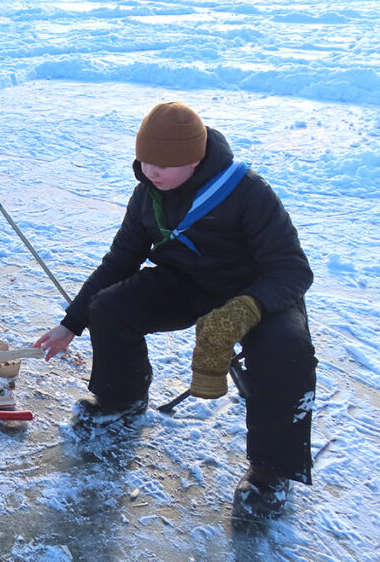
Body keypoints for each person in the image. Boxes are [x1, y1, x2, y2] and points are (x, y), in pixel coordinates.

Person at [34, 102, 316, 522]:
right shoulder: (148, 194)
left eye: (165, 163)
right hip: (187, 284)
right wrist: (71, 322)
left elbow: (293, 268)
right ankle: (122, 399)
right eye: (145, 160)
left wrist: (246, 308)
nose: (151, 171)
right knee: (110, 305)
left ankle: (271, 474)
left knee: (286, 349)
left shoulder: (248, 191)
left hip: (256, 293)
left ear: (197, 158)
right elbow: (119, 262)